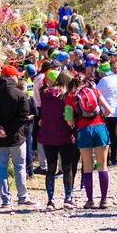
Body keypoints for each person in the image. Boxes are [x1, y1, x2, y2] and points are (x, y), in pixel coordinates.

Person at [0, 66, 37, 208]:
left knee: (1, 168)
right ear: (12, 77)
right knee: (19, 167)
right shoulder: (19, 94)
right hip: (16, 136)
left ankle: (5, 200)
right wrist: (9, 130)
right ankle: (23, 197)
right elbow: (23, 116)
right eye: (16, 76)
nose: (18, 77)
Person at [65, 77, 112, 209]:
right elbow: (108, 110)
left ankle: (90, 200)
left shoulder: (70, 98)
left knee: (87, 166)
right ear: (86, 82)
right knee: (102, 166)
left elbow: (69, 121)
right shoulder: (95, 92)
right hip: (100, 129)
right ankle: (103, 200)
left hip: (84, 131)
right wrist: (101, 118)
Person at [38, 71, 76, 210]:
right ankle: (68, 198)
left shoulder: (45, 95)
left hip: (47, 135)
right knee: (67, 167)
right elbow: (69, 117)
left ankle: (50, 200)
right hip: (65, 135)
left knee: (51, 168)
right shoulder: (66, 97)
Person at [96, 62, 117, 166]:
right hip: (116, 110)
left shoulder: (104, 80)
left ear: (103, 72)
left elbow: (96, 92)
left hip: (105, 111)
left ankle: (105, 159)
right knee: (114, 135)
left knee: (105, 136)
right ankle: (114, 157)